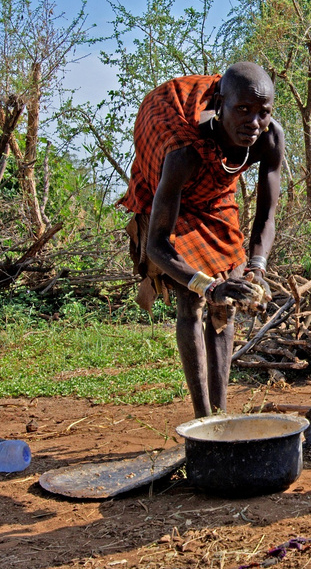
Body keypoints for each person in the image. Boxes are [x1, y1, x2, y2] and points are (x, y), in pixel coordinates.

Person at [119, 63, 285, 419]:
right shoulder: (183, 152)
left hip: (216, 196)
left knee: (230, 299)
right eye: (243, 109)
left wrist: (257, 267)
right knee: (191, 303)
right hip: (172, 198)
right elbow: (157, 245)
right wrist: (207, 287)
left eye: (263, 112)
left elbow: (267, 215)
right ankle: (202, 417)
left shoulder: (268, 137)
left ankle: (220, 414)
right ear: (219, 103)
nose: (254, 122)